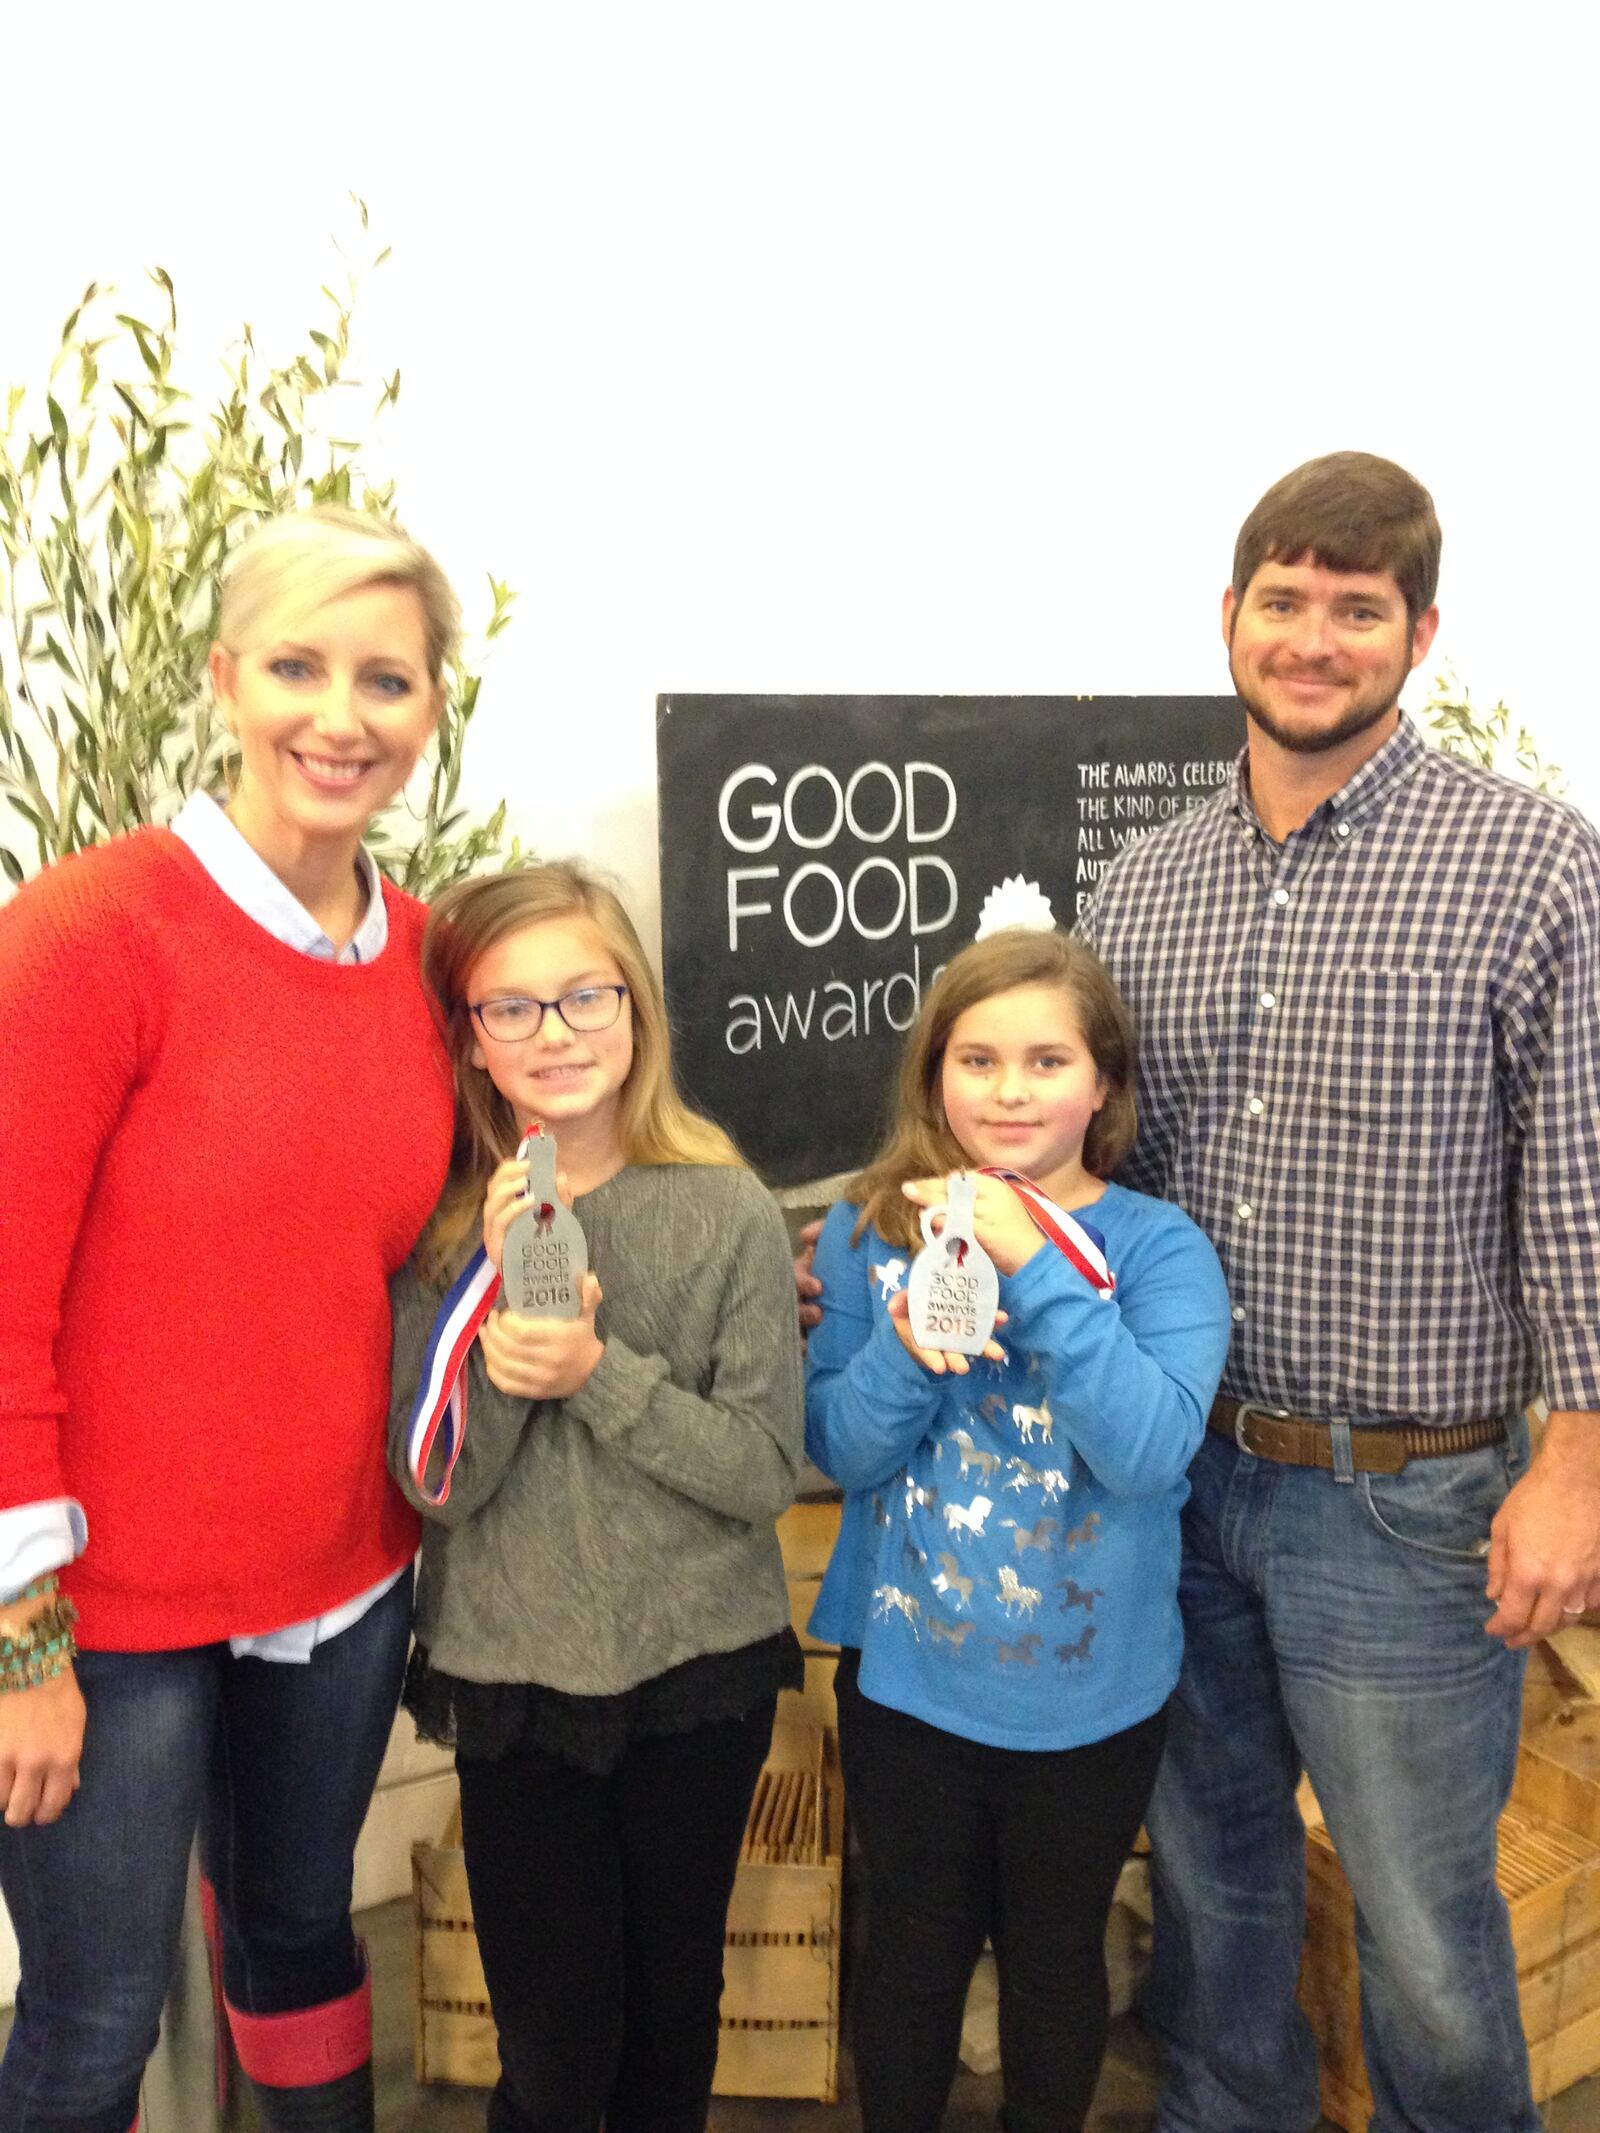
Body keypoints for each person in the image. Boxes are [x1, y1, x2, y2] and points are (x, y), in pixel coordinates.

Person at [1078, 451, 1600, 2130]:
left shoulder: (1534, 867)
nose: (1314, 638)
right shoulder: (1142, 885)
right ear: (1227, 618)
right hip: (1177, 1479)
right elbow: (1098, 1177)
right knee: (1216, 1896)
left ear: (1419, 631)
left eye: (1355, 608)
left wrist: (1577, 1461)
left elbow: (1581, 1185)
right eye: (1284, 601)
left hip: (1406, 1505)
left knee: (1427, 1936)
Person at [0, 505, 461, 2133]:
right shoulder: (90, 934)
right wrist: (19, 1640)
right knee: (101, 1997)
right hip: (102, 1618)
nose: (341, 714)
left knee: (297, 1933)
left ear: (432, 710)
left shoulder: (426, 961)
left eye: (386, 678)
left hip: (340, 1579)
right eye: (297, 664)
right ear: (225, 679)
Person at [386, 860, 803, 2133]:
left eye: (583, 997)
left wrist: (596, 1371)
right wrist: (514, 1354)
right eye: (508, 1008)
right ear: (467, 1036)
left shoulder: (724, 1205)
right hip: (519, 1681)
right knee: (554, 2048)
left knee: (673, 2020)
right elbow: (437, 1488)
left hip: (696, 1673)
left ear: (636, 1011)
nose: (552, 1032)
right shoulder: (447, 1223)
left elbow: (758, 1472)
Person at [804, 922, 1230, 2133]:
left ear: (1102, 1083)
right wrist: (902, 1348)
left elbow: (1146, 1453)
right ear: (934, 1072)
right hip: (907, 1688)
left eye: (1047, 1061)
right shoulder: (868, 1229)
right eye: (977, 1059)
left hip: (1091, 1698)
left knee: (1052, 1965)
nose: (1008, 1090)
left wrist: (1031, 1265)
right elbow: (838, 1444)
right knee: (912, 1956)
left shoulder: (1158, 1250)